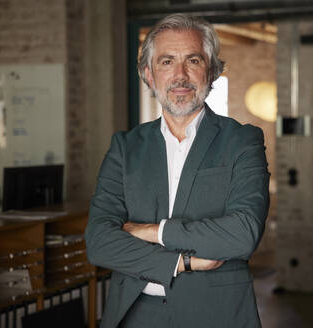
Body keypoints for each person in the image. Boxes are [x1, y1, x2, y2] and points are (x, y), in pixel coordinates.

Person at [85, 13, 270, 328]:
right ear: (148, 74)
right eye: (167, 62)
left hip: (215, 315)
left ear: (211, 72)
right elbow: (99, 242)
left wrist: (152, 231)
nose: (180, 75)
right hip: (133, 314)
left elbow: (242, 235)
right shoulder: (125, 147)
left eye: (193, 61)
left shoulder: (242, 141)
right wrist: (180, 262)